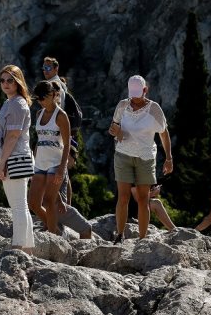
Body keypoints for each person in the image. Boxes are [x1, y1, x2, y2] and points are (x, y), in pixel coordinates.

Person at [108, 75, 174, 242]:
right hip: (123, 155)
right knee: (123, 197)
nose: (135, 98)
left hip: (145, 158)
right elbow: (114, 126)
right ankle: (120, 234)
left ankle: (142, 238)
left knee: (144, 199)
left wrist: (168, 158)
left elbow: (163, 133)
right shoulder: (122, 105)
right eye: (133, 94)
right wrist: (115, 132)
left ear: (145, 90)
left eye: (138, 93)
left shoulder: (154, 109)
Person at [0, 65, 35, 253]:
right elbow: (1, 136)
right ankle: (27, 247)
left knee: (18, 205)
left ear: (18, 82)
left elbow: (12, 135)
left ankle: (18, 246)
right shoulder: (8, 103)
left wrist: (3, 162)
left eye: (10, 80)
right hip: (10, 157)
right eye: (2, 80)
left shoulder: (18, 104)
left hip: (16, 158)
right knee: (20, 205)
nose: (5, 84)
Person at [28, 80, 70, 235]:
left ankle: (52, 236)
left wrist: (61, 169)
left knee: (49, 200)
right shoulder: (39, 114)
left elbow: (67, 145)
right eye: (38, 99)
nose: (40, 102)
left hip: (55, 162)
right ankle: (55, 230)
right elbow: (38, 141)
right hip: (40, 162)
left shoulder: (61, 116)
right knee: (33, 202)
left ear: (53, 95)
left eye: (42, 98)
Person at [56, 142, 93, 239]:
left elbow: (68, 187)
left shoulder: (62, 166)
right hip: (58, 207)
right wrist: (60, 202)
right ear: (68, 155)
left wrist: (68, 204)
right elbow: (52, 187)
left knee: (61, 236)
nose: (75, 163)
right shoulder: (60, 167)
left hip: (59, 207)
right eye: (75, 159)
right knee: (87, 228)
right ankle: (85, 253)